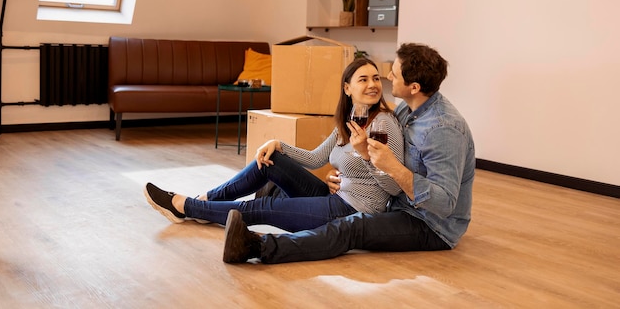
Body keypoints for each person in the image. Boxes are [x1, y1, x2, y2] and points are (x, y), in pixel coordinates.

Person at [222, 42, 476, 264]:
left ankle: (258, 247)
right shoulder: (405, 111)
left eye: (393, 74)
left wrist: (392, 168)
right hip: (394, 205)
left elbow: (444, 204)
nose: (387, 76)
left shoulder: (444, 129)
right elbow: (367, 162)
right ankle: (245, 198)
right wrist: (346, 173)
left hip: (430, 225)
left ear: (414, 87)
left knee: (350, 227)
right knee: (298, 189)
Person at [144, 58, 404, 232]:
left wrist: (366, 157)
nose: (372, 84)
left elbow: (393, 187)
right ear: (347, 88)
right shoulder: (349, 122)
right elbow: (315, 159)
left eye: (376, 78)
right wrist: (278, 144)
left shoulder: (384, 124)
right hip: (332, 196)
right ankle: (207, 200)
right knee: (271, 160)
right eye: (363, 79)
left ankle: (185, 206)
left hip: (351, 210)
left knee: (261, 207)